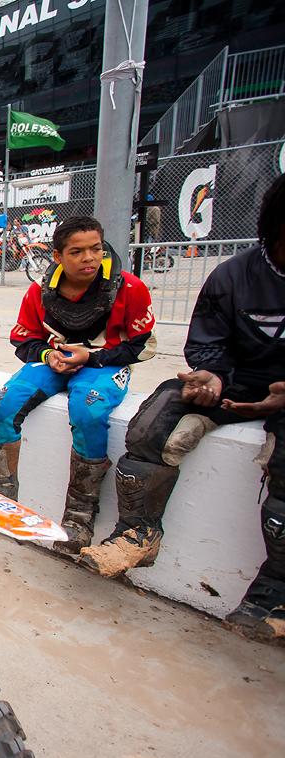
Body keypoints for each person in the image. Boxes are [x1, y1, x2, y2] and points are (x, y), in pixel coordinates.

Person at [80, 176, 285, 644]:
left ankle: (275, 587)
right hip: (235, 384)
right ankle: (138, 534)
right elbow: (206, 342)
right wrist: (209, 374)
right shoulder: (233, 275)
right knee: (152, 422)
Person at [0, 216, 156, 554]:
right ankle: (0, 498)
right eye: (77, 251)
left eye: (96, 249)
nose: (89, 258)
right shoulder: (39, 292)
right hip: (56, 361)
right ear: (58, 256)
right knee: (3, 404)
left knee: (89, 410)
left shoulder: (129, 288)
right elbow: (23, 340)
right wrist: (48, 354)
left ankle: (80, 516)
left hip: (103, 365)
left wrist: (90, 357)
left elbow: (143, 345)